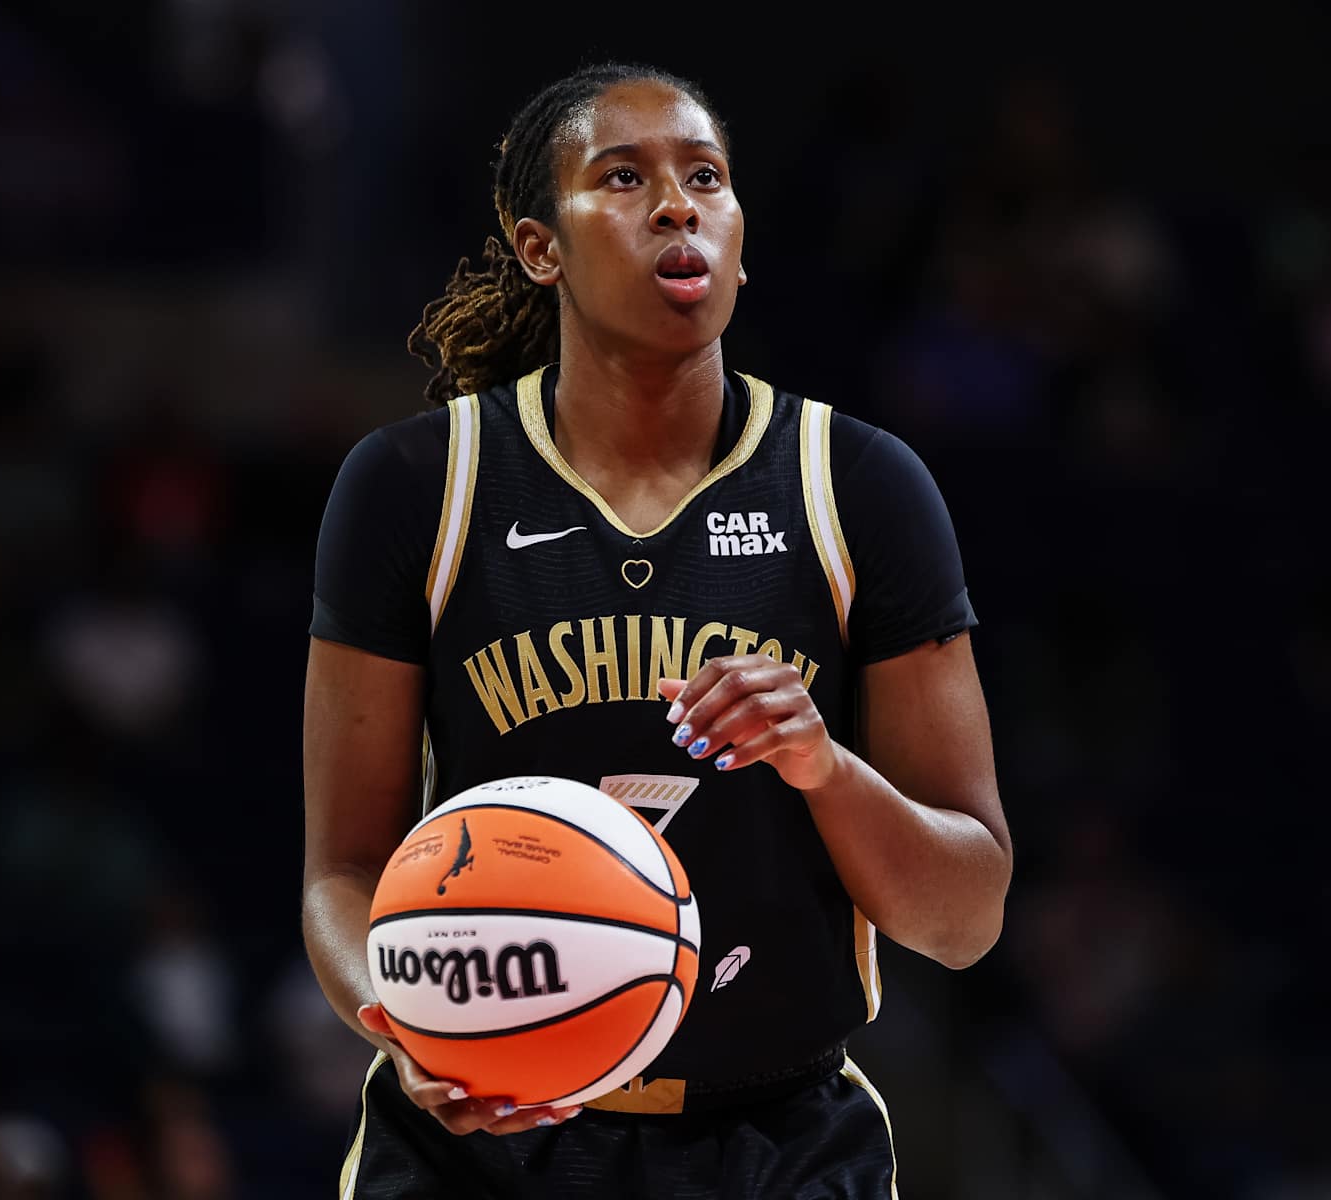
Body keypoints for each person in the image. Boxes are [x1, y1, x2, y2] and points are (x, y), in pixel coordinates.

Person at [302, 61, 1013, 1199]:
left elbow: (967, 914)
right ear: (541, 246)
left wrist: (824, 767)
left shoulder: (860, 488)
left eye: (707, 179)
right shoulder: (415, 488)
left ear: (738, 234)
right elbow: (341, 869)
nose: (678, 206)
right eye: (623, 178)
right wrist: (400, 1020)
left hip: (776, 1142)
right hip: (479, 1141)